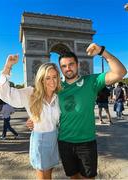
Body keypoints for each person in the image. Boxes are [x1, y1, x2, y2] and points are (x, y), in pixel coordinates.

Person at [27, 43, 127, 179]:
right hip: (64, 142)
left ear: (78, 64)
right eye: (63, 66)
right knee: (73, 177)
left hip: (86, 142)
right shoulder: (56, 87)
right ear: (60, 69)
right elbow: (43, 103)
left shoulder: (91, 81)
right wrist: (34, 119)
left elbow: (121, 72)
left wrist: (102, 52)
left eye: (71, 64)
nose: (68, 68)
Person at [0, 56, 61, 179]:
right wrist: (8, 66)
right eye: (47, 78)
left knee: (49, 173)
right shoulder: (30, 93)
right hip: (40, 141)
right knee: (43, 176)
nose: (52, 81)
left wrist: (33, 121)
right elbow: (3, 92)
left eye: (54, 77)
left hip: (54, 139)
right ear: (41, 79)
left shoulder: (58, 97)